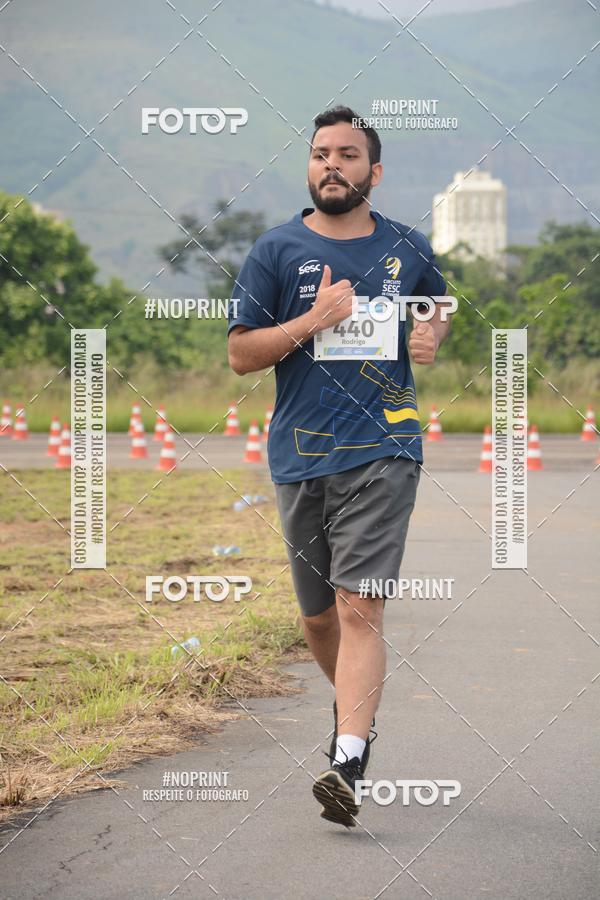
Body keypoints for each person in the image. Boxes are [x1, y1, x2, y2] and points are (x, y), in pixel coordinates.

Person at [228, 106, 450, 827]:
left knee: (360, 607)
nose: (332, 165)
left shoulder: (406, 247)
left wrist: (431, 329)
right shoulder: (276, 249)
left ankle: (347, 760)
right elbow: (240, 356)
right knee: (320, 621)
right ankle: (353, 709)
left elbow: (436, 299)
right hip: (300, 454)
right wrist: (310, 321)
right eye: (321, 153)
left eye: (348, 155)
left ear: (373, 172)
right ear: (309, 167)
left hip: (385, 448)